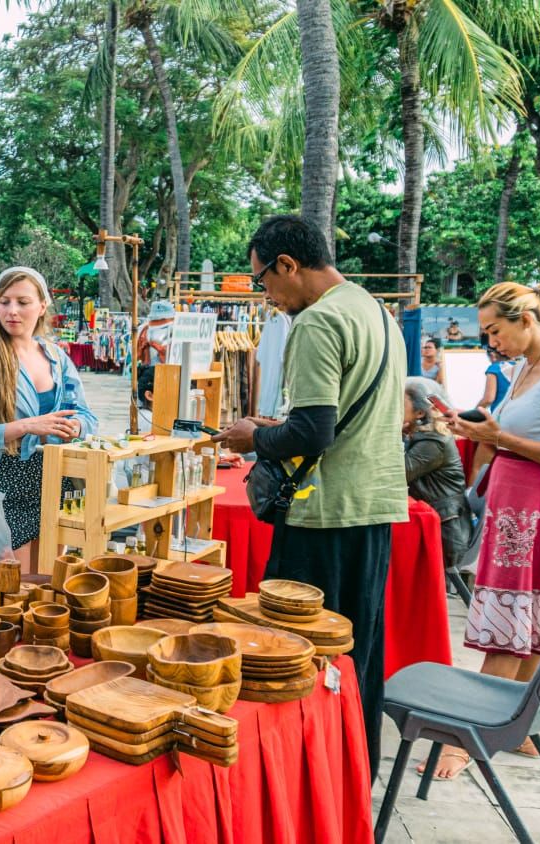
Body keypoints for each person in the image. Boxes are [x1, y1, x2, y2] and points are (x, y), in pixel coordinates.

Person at [212, 215, 407, 774]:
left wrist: (256, 436)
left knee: (300, 657)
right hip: (370, 503)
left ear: (289, 266)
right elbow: (340, 417)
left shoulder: (318, 323)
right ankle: (353, 769)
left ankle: (311, 776)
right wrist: (285, 427)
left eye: (263, 281)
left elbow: (314, 432)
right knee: (356, 650)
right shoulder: (372, 308)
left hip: (324, 511)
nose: (266, 296)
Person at [426, 280, 540, 780]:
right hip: (522, 507)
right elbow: (516, 436)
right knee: (528, 621)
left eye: (495, 330)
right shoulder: (524, 367)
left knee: (513, 627)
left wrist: (501, 439)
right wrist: (482, 433)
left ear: (526, 320)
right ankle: (515, 723)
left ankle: (468, 738)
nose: (490, 342)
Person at [0, 266, 98, 571]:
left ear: (43, 305)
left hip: (55, 479)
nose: (12, 311)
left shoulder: (57, 357)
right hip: (7, 485)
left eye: (23, 302)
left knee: (49, 580)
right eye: (4, 301)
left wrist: (75, 427)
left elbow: (86, 415)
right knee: (15, 587)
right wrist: (27, 426)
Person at [402, 377, 475, 586]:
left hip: (444, 530)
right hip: (443, 520)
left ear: (420, 413)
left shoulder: (433, 442)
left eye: (401, 402)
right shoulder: (425, 436)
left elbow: (398, 473)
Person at [477, 346, 513, 412]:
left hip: (501, 415)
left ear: (492, 355)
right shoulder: (520, 366)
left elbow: (488, 399)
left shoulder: (495, 368)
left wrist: (473, 412)